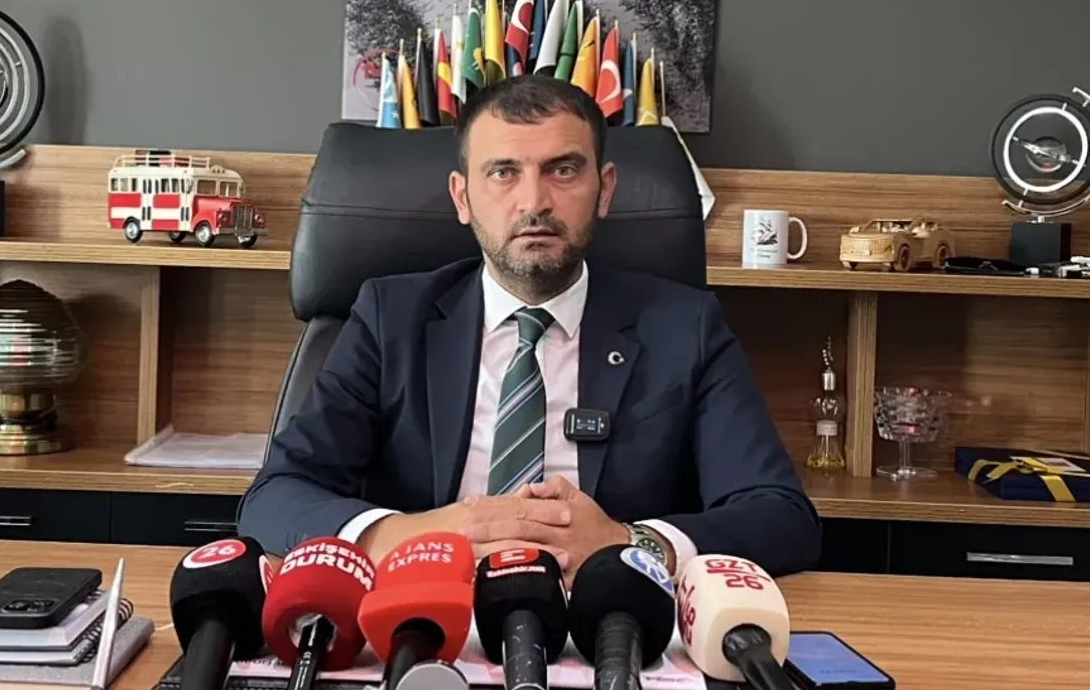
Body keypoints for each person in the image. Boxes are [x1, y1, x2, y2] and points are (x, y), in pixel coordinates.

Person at [238, 75, 820, 584]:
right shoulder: (390, 318)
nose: (534, 201)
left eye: (563, 170)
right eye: (503, 172)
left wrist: (630, 543)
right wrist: (419, 535)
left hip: (607, 617)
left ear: (605, 189)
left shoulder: (685, 327)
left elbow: (780, 515)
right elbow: (276, 497)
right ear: (462, 197)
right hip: (429, 610)